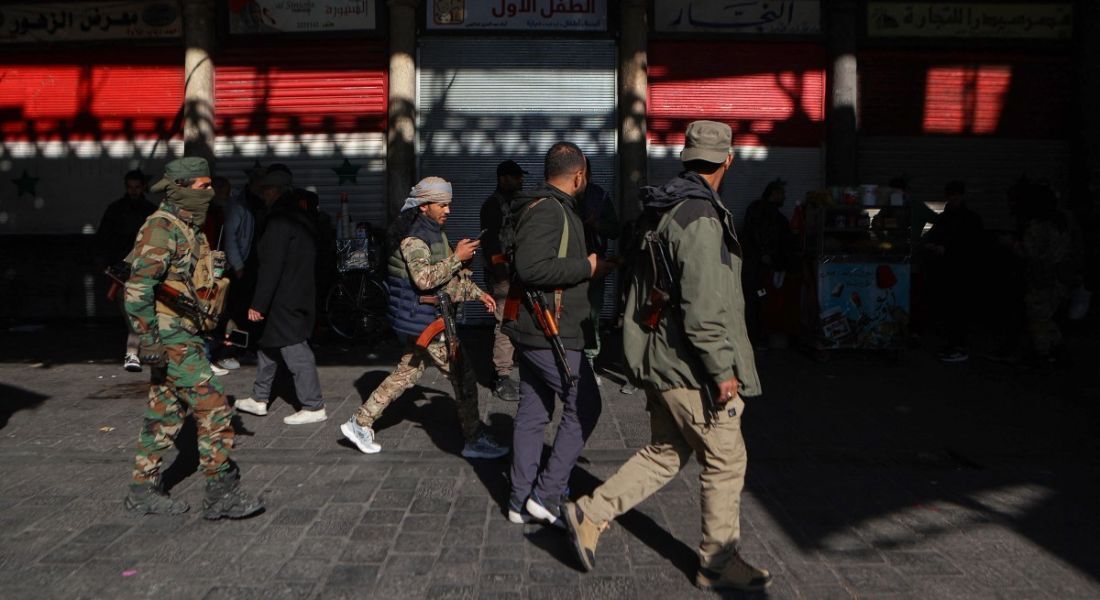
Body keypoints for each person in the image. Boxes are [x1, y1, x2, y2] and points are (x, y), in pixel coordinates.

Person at [560, 121, 771, 592]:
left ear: (686, 158)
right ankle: (718, 562)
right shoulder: (700, 216)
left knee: (665, 452)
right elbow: (704, 306)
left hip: (660, 360)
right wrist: (722, 370)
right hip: (692, 368)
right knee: (725, 459)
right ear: (728, 161)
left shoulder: (664, 208)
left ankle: (588, 513)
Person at [122, 157, 263, 520]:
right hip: (170, 336)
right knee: (213, 407)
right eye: (202, 187)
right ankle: (220, 494)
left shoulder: (190, 226)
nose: (209, 192)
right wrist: (148, 340)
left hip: (187, 331)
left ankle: (142, 488)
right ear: (181, 188)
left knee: (165, 412)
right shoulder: (160, 228)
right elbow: (137, 290)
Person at [340, 177, 510, 459]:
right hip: (428, 323)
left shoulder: (432, 231)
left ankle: (359, 423)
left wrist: (477, 293)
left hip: (424, 320)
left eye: (449, 204)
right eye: (442, 205)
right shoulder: (416, 238)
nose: (448, 210)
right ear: (423, 206)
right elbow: (424, 279)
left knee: (406, 374)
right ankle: (474, 438)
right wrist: (457, 257)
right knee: (465, 379)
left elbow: (444, 281)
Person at [505, 142, 614, 527]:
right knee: (585, 405)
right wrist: (587, 267)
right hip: (552, 331)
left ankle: (519, 501)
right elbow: (532, 268)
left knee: (534, 412)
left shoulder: (555, 208)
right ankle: (546, 494)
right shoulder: (549, 210)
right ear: (579, 175)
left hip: (541, 330)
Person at [234, 169, 328, 425]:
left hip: (284, 297)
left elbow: (271, 265)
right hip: (298, 291)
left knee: (294, 345)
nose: (262, 194)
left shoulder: (279, 221)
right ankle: (259, 397)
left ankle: (313, 404)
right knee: (268, 345)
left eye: (265, 189)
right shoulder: (302, 216)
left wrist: (258, 303)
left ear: (274, 190)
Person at [97, 169, 155, 372]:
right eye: (130, 188)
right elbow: (103, 239)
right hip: (122, 272)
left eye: (137, 187)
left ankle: (135, 352)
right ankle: (134, 352)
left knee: (138, 314)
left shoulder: (148, 211)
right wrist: (108, 264)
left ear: (143, 187)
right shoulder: (118, 210)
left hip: (143, 270)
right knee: (134, 315)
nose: (133, 191)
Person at [480, 159, 528, 402]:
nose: (521, 180)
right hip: (504, 277)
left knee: (516, 319)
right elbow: (490, 244)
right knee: (505, 320)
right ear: (503, 179)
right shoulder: (493, 206)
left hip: (519, 274)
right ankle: (503, 374)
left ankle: (504, 369)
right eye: (516, 176)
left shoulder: (517, 203)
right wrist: (501, 273)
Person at [921, 180, 983, 363]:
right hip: (946, 271)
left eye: (955, 194)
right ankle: (953, 344)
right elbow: (933, 235)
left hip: (960, 272)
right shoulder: (948, 217)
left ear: (961, 195)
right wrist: (931, 245)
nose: (952, 198)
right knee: (949, 310)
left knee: (958, 310)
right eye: (950, 194)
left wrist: (945, 249)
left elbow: (973, 246)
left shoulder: (968, 219)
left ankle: (958, 346)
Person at [577, 157, 621, 382]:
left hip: (595, 264)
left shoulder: (600, 196)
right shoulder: (564, 194)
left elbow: (614, 230)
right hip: (569, 264)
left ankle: (590, 359)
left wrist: (596, 224)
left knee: (592, 313)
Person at [741, 178, 796, 348]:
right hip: (759, 269)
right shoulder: (768, 214)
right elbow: (765, 237)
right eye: (782, 194)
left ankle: (754, 337)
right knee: (759, 301)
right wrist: (766, 255)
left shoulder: (758, 210)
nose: (784, 197)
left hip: (754, 267)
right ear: (774, 194)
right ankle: (756, 338)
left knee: (755, 301)